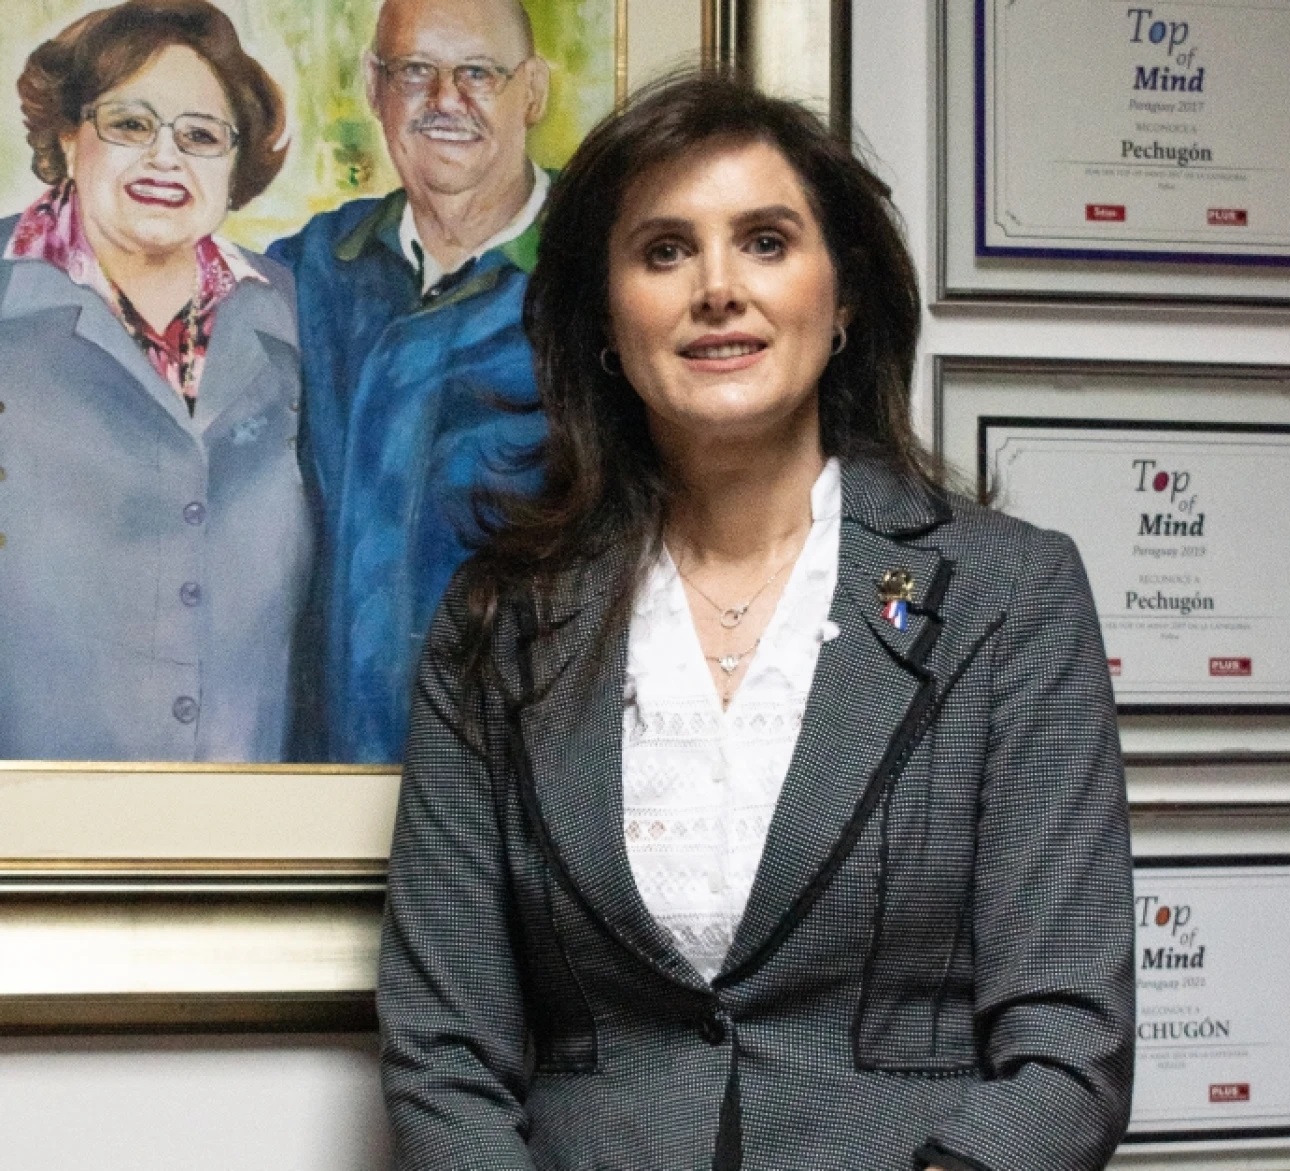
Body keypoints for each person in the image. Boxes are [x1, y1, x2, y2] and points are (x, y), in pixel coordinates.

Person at [379, 73, 1135, 1171]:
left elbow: (1069, 1050)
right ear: (604, 317)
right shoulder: (496, 620)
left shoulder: (1009, 597)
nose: (719, 289)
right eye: (665, 251)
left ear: (844, 296)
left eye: (766, 242)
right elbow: (442, 1051)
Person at [0, 0, 310, 762]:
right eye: (130, 124)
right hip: (33, 811)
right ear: (68, 136)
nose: (165, 159)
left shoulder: (292, 309)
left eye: (200, 136)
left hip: (248, 813)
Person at [266, 0, 551, 763]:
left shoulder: (602, 276)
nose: (446, 99)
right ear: (375, 85)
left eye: (478, 73)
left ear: (532, 91)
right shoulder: (309, 267)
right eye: (416, 71)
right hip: (317, 787)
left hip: (507, 790)